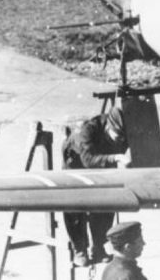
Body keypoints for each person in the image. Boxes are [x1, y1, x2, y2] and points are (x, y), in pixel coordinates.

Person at [62, 107, 131, 267]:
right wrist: (115, 157)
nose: (119, 141)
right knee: (74, 205)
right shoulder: (87, 131)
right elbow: (88, 160)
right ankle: (79, 250)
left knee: (108, 203)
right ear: (108, 127)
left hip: (101, 163)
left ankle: (98, 247)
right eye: (117, 136)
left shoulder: (121, 133)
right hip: (77, 163)